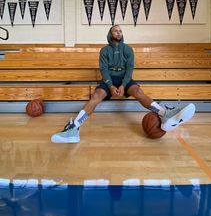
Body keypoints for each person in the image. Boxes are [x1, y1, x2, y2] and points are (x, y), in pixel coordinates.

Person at [51, 25, 195, 143]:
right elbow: (104, 69)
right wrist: (111, 86)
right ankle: (73, 129)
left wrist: (122, 85)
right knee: (96, 96)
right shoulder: (104, 50)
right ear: (110, 34)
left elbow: (130, 69)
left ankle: (165, 114)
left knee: (138, 92)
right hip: (109, 80)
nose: (118, 32)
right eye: (116, 30)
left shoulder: (128, 49)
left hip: (124, 80)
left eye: (120, 31)